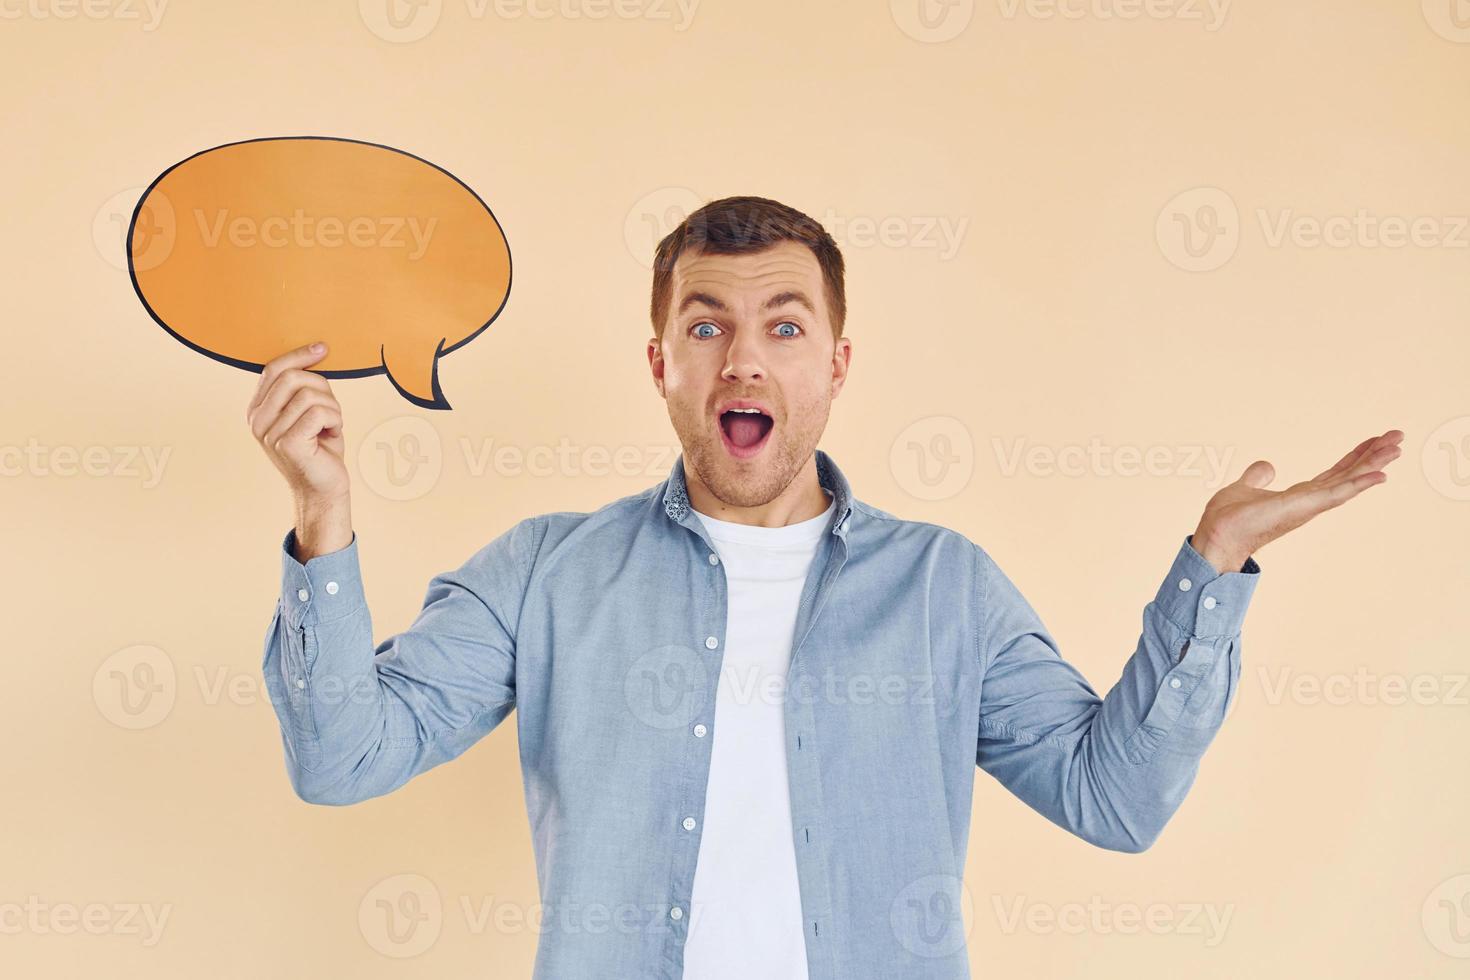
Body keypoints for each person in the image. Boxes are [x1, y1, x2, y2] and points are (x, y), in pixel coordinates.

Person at [248, 196, 1402, 980]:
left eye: (783, 325)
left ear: (836, 364)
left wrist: (1212, 567)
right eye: (706, 326)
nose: (743, 357)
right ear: (661, 365)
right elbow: (343, 756)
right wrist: (324, 517)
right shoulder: (546, 572)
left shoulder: (945, 589)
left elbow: (1115, 799)